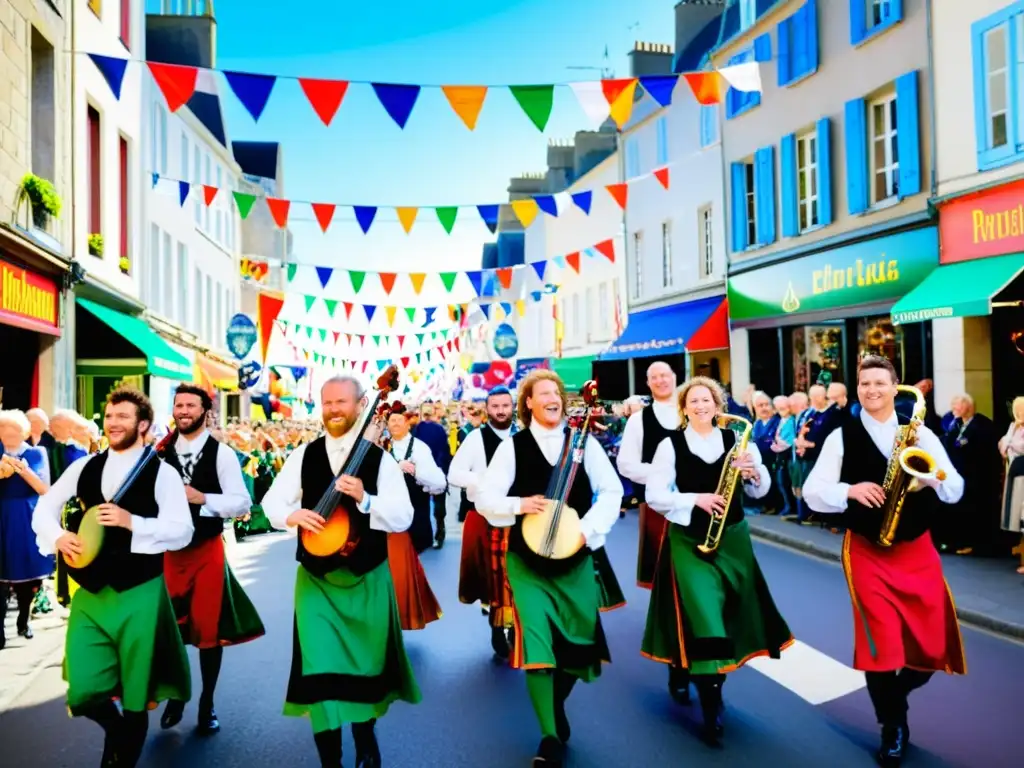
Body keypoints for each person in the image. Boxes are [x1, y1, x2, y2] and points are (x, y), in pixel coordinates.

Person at [802, 356, 966, 767]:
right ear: (857, 389)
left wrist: (936, 480)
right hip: (867, 551)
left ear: (896, 388)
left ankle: (895, 697)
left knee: (930, 648)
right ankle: (892, 724)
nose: (871, 389)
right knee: (881, 647)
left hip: (915, 550)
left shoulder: (920, 433)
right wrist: (849, 490)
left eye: (880, 382)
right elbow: (811, 491)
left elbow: (956, 487)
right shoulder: (841, 436)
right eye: (864, 383)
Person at [261, 376, 420, 768]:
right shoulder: (305, 455)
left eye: (341, 402)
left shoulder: (378, 459)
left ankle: (365, 737)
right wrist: (290, 515)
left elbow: (403, 516)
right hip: (315, 582)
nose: (333, 410)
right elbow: (272, 502)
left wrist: (365, 499)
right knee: (319, 672)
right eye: (327, 402)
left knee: (363, 669)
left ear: (362, 404)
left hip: (366, 578)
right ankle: (330, 761)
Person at [31, 387, 193, 767]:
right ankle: (119, 737)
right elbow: (44, 509)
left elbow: (181, 530)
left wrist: (132, 522)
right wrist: (58, 536)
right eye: (109, 416)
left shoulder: (162, 473)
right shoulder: (83, 467)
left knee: (136, 694)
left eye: (123, 416)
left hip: (140, 590)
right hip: (90, 591)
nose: (113, 422)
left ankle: (120, 757)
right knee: (84, 690)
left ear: (143, 425)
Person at [477, 370, 624, 767]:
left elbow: (612, 491)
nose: (551, 397)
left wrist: (587, 530)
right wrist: (518, 505)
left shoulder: (584, 444)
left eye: (556, 392)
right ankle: (549, 737)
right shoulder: (512, 447)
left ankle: (553, 706)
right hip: (527, 561)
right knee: (538, 647)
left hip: (575, 558)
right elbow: (485, 498)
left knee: (578, 648)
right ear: (529, 403)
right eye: (542, 392)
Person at [642, 376, 792, 747]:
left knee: (729, 617)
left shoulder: (739, 441)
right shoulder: (670, 444)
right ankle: (712, 704)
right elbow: (655, 494)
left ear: (718, 404)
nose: (700, 406)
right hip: (691, 541)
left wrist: (753, 473)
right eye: (693, 401)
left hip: (734, 540)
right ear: (684, 407)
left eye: (706, 400)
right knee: (706, 617)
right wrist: (695, 499)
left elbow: (762, 490)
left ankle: (684, 665)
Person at [156, 384, 266, 734]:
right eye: (178, 405)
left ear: (206, 411)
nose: (183, 410)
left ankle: (207, 703)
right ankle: (178, 693)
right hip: (169, 552)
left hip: (205, 550)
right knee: (168, 629)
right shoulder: (158, 453)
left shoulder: (222, 455)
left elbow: (241, 503)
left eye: (191, 405)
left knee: (208, 629)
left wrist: (201, 497)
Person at [614, 360, 692, 703]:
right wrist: (663, 476)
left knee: (698, 580)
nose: (661, 380)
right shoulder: (638, 419)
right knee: (670, 584)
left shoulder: (694, 406)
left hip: (697, 505)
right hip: (661, 506)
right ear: (648, 383)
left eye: (666, 375)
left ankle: (698, 652)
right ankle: (676, 657)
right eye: (655, 376)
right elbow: (627, 464)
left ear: (676, 378)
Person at [448, 386, 517, 659]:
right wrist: (481, 482)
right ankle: (498, 628)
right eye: (495, 406)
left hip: (518, 514)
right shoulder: (476, 439)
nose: (501, 411)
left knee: (517, 575)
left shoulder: (523, 436)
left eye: (505, 406)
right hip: (487, 517)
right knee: (492, 579)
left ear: (513, 407)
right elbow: (454, 473)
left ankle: (517, 626)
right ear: (487, 409)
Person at [381, 401, 444, 631]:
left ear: (408, 422)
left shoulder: (419, 448)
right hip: (383, 518)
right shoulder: (380, 447)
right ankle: (389, 618)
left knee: (401, 572)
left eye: (399, 419)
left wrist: (415, 470)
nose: (395, 424)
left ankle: (399, 618)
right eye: (391, 420)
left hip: (411, 520)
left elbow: (439, 483)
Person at [0, 410, 52, 646]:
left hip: (24, 517)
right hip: (1, 517)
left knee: (25, 576)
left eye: (14, 429)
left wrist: (19, 468)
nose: (8, 434)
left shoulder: (35, 453)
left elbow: (43, 488)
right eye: (3, 429)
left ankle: (23, 619)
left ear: (24, 432)